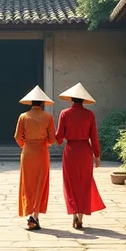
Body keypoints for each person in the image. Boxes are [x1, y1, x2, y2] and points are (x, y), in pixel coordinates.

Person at [55, 82, 106, 229]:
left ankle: (74, 215)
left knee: (70, 183)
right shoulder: (89, 114)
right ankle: (81, 217)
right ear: (84, 100)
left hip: (70, 151)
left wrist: (51, 135)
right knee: (84, 183)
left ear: (71, 99)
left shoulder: (64, 113)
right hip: (85, 151)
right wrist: (97, 155)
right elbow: (94, 137)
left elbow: (59, 138)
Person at [14, 85, 56, 231]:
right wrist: (43, 142)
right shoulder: (48, 117)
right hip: (42, 152)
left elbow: (18, 137)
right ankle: (36, 215)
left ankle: (29, 214)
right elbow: (52, 139)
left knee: (27, 183)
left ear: (31, 102)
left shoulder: (23, 116)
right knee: (40, 183)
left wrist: (25, 145)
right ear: (42, 103)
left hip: (28, 152)